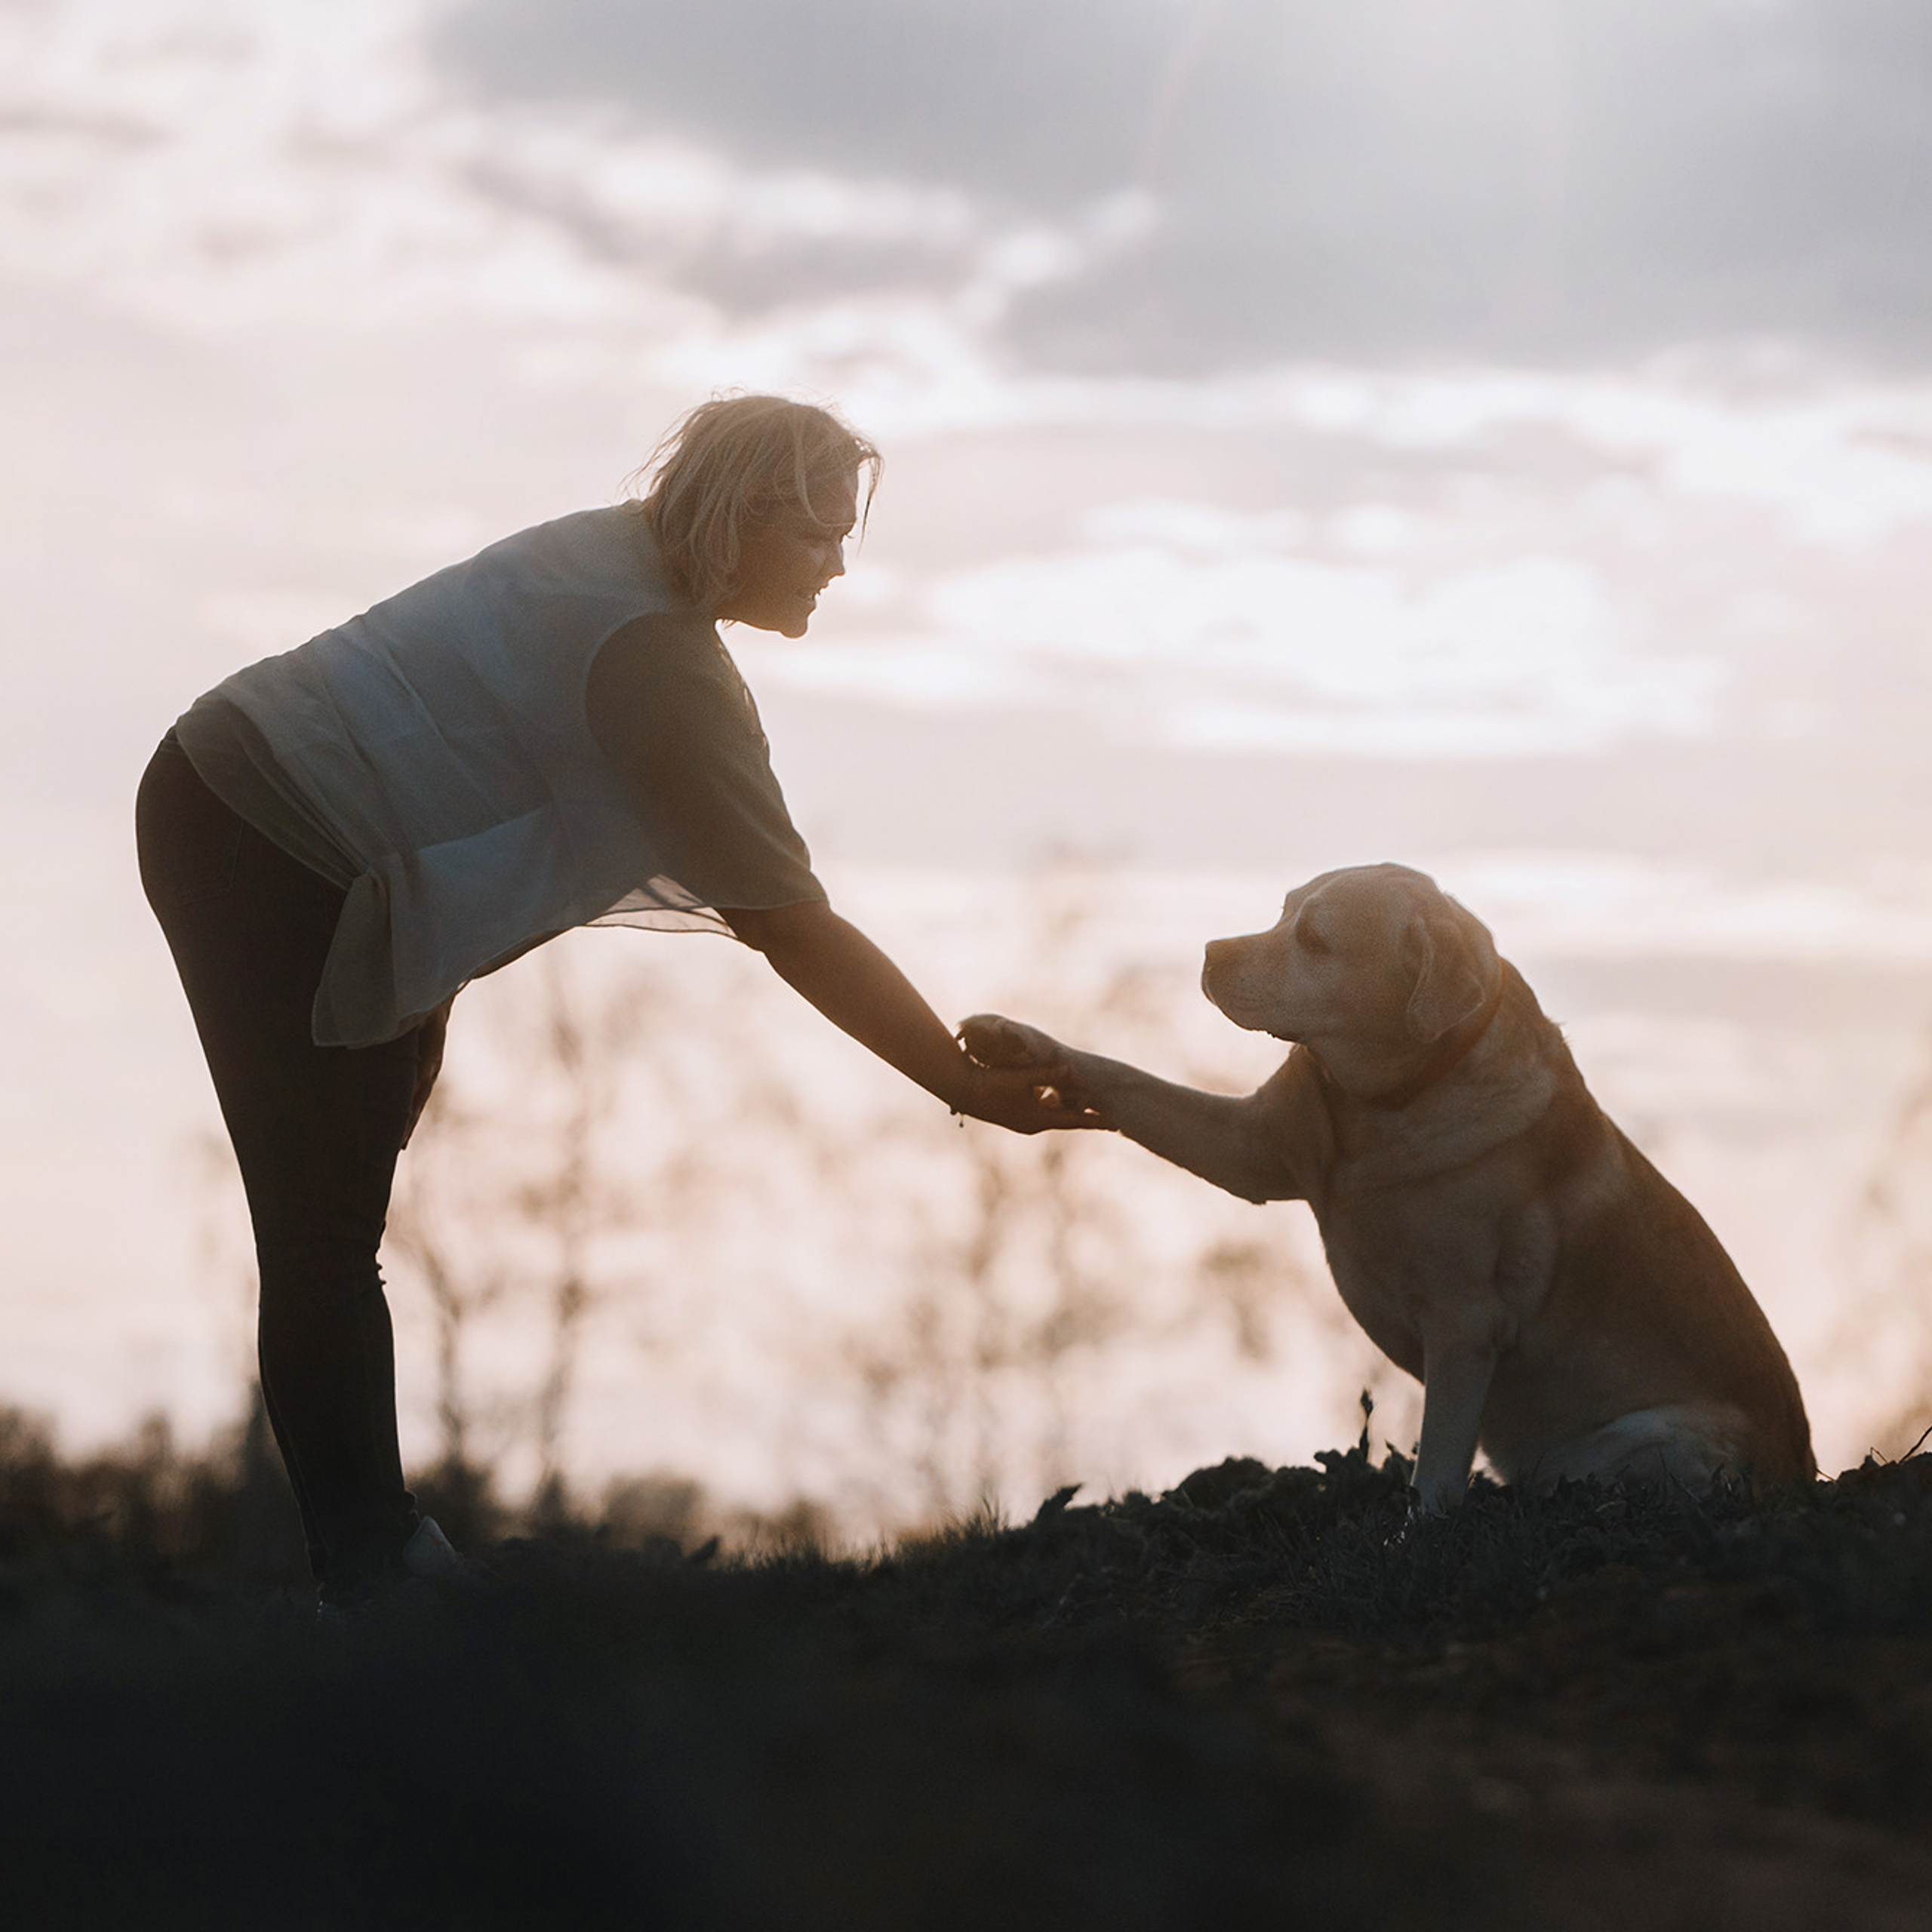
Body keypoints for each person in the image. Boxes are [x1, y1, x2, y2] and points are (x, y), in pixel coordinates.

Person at [137, 394, 1092, 1610]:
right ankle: (374, 1584)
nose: (841, 566)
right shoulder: (657, 663)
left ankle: (376, 1569)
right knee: (322, 1231)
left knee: (332, 1219)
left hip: (247, 808)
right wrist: (960, 1082)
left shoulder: (621, 563)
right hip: (258, 832)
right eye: (818, 536)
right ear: (740, 522)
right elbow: (791, 925)